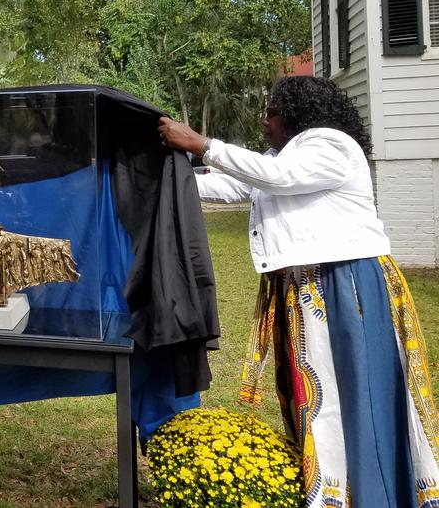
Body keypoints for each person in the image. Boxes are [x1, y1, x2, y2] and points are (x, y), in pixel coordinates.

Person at [158, 76, 439, 508]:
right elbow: (234, 184)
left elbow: (278, 177)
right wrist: (167, 173)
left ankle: (378, 495)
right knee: (317, 396)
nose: (265, 120)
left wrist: (203, 144)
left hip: (348, 284)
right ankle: (331, 492)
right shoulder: (284, 155)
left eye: (271, 111)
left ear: (296, 112)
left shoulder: (331, 144)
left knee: (360, 390)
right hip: (309, 288)